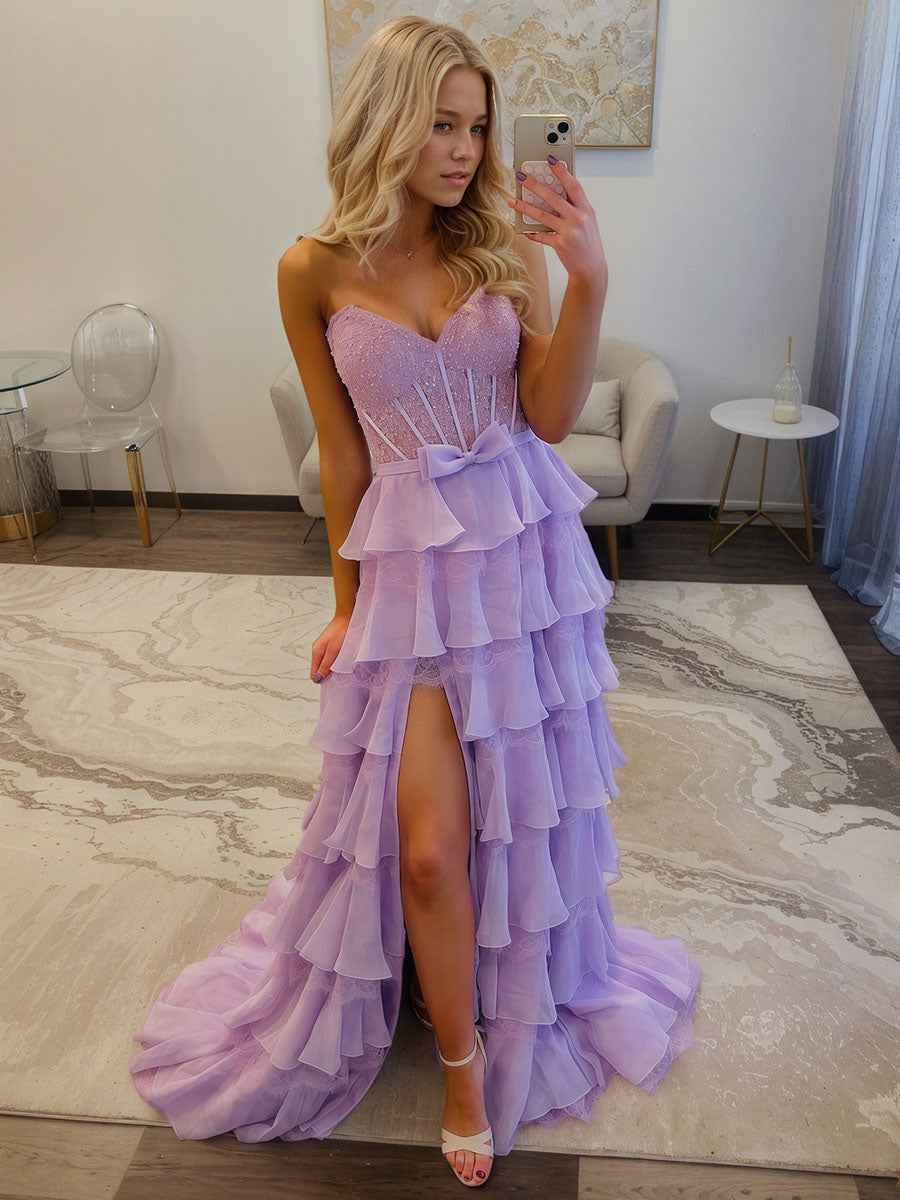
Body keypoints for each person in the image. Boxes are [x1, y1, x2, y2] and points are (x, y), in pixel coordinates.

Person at [129, 15, 702, 1190]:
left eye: (477, 127)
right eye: (443, 124)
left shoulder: (502, 246)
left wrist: (589, 278)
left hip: (520, 568)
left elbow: (549, 414)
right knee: (432, 852)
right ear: (388, 119)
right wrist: (347, 606)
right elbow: (344, 455)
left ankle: (493, 1000)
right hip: (415, 588)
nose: (465, 149)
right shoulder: (311, 269)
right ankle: (459, 1064)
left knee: (516, 819)